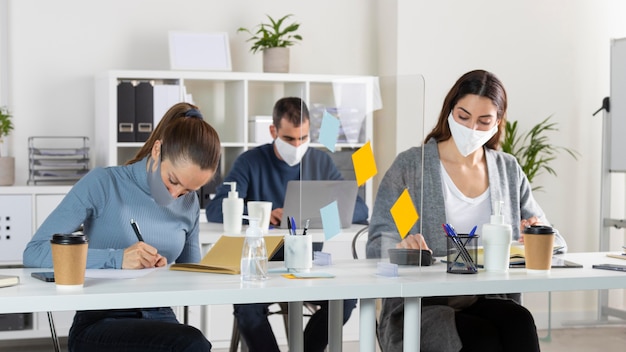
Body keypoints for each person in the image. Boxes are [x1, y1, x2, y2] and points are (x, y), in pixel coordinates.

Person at [366, 70, 567, 352]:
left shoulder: (507, 170)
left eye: (484, 121)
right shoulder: (411, 167)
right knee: (482, 337)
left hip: (487, 297)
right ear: (449, 112)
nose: (472, 128)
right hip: (425, 304)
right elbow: (379, 240)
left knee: (519, 322)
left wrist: (534, 235)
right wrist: (403, 247)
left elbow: (556, 242)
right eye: (463, 117)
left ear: (497, 123)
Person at [23, 102, 219, 352]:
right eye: (172, 180)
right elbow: (34, 252)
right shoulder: (104, 183)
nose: (175, 194)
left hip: (161, 320)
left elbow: (189, 277)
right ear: (158, 150)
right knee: (191, 345)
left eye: (188, 190)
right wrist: (118, 259)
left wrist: (164, 269)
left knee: (192, 343)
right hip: (101, 322)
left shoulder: (188, 204)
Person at [206, 96, 367, 352]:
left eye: (303, 138)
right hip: (260, 264)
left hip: (308, 265)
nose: (298, 145)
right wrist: (258, 215)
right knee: (247, 307)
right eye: (290, 139)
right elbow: (215, 209)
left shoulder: (320, 162)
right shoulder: (250, 161)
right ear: (273, 131)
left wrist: (316, 213)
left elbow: (358, 209)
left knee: (345, 299)